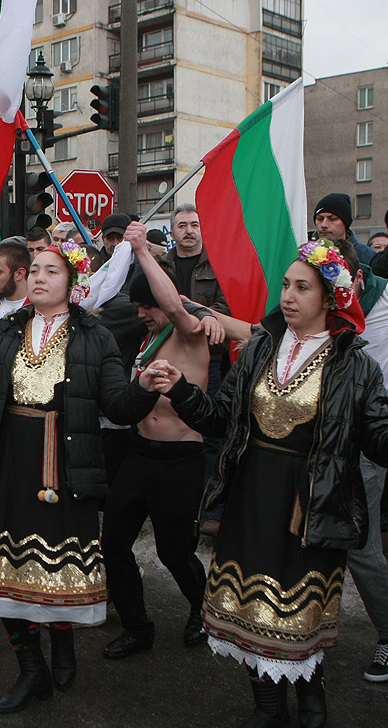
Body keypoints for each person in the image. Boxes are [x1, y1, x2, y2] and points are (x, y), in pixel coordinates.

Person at [141, 240, 388, 728]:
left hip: (312, 503)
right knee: (252, 607)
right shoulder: (260, 349)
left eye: (302, 287)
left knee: (298, 612)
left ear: (330, 297)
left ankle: (312, 691)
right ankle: (269, 710)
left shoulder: (355, 366)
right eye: (285, 285)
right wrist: (179, 389)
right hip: (252, 494)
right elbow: (220, 418)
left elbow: (382, 435)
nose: (288, 295)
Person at [0, 242, 159, 714]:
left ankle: (63, 642)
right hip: (7, 465)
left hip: (63, 468)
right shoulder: (5, 333)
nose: (39, 278)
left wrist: (145, 389)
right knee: (5, 573)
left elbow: (116, 405)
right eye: (34, 270)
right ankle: (32, 669)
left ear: (72, 282)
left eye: (52, 271)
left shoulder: (96, 337)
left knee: (54, 573)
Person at [101, 222, 210, 660]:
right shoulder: (147, 337)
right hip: (140, 452)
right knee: (113, 543)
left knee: (174, 552)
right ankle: (136, 626)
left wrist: (142, 249)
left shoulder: (191, 332)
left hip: (181, 459)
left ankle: (203, 611)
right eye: (139, 305)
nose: (143, 312)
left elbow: (173, 302)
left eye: (149, 305)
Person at [156, 203, 230, 535]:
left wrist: (191, 315)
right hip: (166, 357)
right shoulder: (161, 266)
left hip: (207, 362)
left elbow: (225, 308)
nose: (189, 229)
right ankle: (170, 502)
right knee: (166, 431)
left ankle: (210, 509)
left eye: (194, 224)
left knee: (209, 436)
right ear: (172, 232)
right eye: (182, 224)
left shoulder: (217, 266)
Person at [312, 192, 376, 267]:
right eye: (320, 219)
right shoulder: (303, 252)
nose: (324, 225)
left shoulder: (366, 255)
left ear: (345, 223)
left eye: (332, 219)